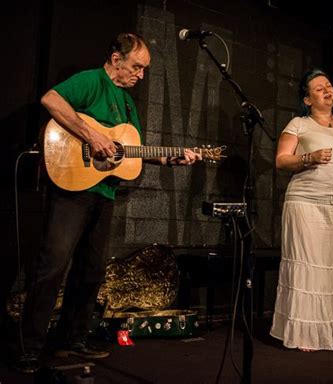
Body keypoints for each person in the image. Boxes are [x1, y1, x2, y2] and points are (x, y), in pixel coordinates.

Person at [15, 32, 201, 373]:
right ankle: (30, 346)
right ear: (116, 59)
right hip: (72, 188)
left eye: (144, 70)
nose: (140, 75)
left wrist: (171, 158)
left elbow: (132, 150)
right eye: (137, 67)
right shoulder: (91, 80)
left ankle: (71, 341)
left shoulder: (128, 104)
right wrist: (92, 135)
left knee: (91, 270)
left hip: (104, 191)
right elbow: (51, 100)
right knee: (54, 265)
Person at [270, 68, 333, 351]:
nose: (327, 90)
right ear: (307, 99)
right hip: (306, 203)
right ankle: (307, 334)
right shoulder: (299, 124)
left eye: (328, 85)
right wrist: (308, 157)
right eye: (318, 88)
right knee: (310, 268)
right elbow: (281, 161)